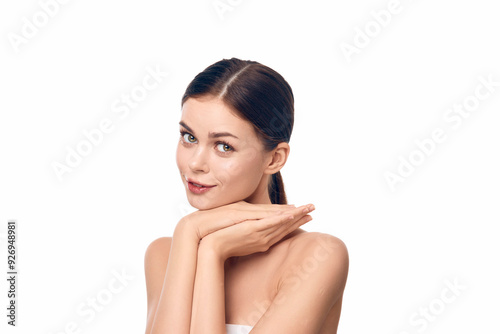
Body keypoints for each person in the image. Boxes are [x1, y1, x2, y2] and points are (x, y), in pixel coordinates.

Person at [144, 58, 349, 334]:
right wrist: (188, 230)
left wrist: (211, 253)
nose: (195, 163)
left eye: (223, 146)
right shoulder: (165, 253)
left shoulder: (317, 256)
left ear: (274, 159)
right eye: (189, 137)